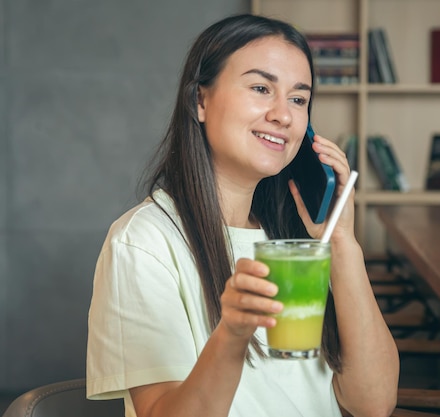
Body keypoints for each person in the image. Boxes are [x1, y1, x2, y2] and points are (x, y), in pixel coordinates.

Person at [86, 13, 398, 417]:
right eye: (260, 88)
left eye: (299, 99)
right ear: (200, 100)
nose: (283, 115)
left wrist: (342, 243)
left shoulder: (297, 241)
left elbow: (373, 403)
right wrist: (232, 333)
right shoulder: (143, 242)